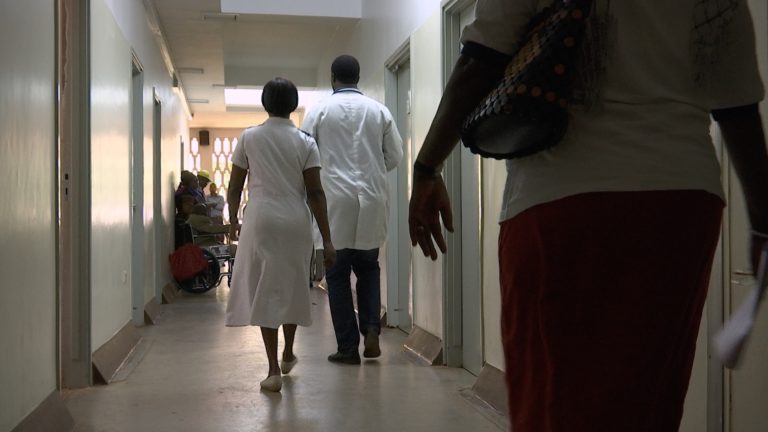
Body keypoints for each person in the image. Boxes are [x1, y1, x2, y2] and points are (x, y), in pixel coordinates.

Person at [408, 1, 767, 431]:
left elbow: (480, 60)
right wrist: (762, 222)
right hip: (680, 202)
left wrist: (427, 168)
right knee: (647, 393)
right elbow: (736, 104)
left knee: (553, 397)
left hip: (563, 197)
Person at [225, 77, 336, 393]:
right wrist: (327, 239)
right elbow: (315, 192)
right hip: (294, 220)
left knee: (265, 287)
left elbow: (234, 187)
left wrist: (232, 220)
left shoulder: (249, 138)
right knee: (291, 284)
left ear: (264, 103)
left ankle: (273, 369)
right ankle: (288, 351)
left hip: (261, 218)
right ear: (293, 105)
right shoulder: (305, 142)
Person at [302, 55, 403, 365]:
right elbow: (395, 156)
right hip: (371, 199)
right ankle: (372, 329)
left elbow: (305, 156)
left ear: (334, 77)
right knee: (369, 269)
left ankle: (348, 348)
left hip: (333, 203)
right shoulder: (380, 111)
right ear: (358, 78)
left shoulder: (318, 110)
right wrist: (372, 170)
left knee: (337, 275)